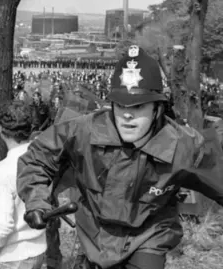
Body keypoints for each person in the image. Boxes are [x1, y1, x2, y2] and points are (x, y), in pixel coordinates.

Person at [16, 45, 223, 269]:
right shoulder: (84, 130)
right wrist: (36, 201)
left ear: (157, 108)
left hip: (148, 236)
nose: (127, 115)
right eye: (120, 105)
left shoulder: (185, 146)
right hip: (95, 236)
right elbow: (37, 158)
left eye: (139, 106)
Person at [0, 102, 46, 269]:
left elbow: (1, 228)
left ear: (1, 131)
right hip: (38, 249)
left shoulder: (3, 171)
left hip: (11, 257)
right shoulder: (43, 159)